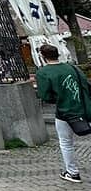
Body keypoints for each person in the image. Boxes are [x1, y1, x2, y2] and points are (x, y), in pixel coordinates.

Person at [35, 43, 87, 183]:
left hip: (65, 110)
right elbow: (86, 86)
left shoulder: (43, 72)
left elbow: (45, 96)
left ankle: (72, 172)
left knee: (66, 142)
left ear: (42, 56)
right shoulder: (72, 68)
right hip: (84, 108)